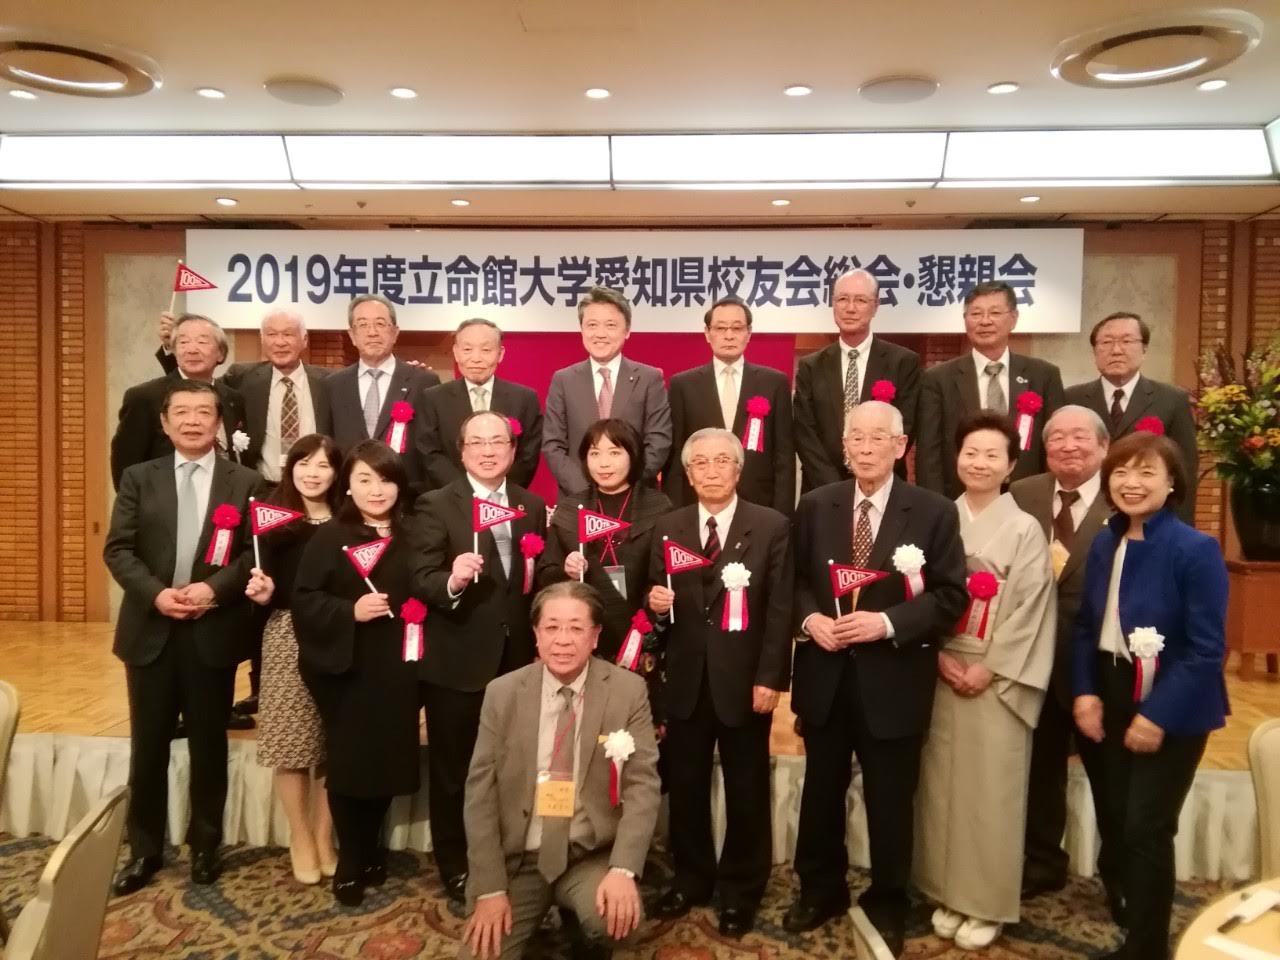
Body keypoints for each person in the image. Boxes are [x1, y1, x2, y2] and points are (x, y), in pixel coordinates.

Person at [785, 400, 967, 956]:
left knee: (891, 801)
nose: (866, 448)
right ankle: (820, 889)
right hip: (825, 676)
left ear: (901, 446)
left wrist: (886, 623)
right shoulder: (816, 504)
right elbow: (794, 580)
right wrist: (810, 619)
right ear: (844, 447)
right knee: (820, 792)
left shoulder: (933, 511)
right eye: (856, 439)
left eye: (877, 438)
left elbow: (950, 596)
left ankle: (889, 900)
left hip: (894, 680)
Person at [1072, 432, 1229, 960]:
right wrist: (1085, 693)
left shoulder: (1196, 549)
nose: (1130, 483)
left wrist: (1157, 715)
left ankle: (1147, 948)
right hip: (1110, 690)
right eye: (1120, 472)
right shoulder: (1104, 542)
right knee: (1117, 819)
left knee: (1146, 825)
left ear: (1172, 482)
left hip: (1176, 701)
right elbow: (1085, 626)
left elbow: (1207, 649)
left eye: (1145, 472)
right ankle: (1130, 913)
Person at [104, 380, 261, 895]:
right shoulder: (138, 477)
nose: (192, 421)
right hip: (150, 631)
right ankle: (144, 849)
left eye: (203, 412)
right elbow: (118, 549)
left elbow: (253, 554)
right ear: (164, 423)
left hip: (211, 631)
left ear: (219, 422)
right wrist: (156, 595)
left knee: (209, 744)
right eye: (182, 412)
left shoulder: (246, 482)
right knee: (147, 746)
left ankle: (205, 845)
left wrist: (213, 589)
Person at [458, 580, 661, 960]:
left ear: (595, 636)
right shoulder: (502, 693)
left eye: (576, 628)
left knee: (618, 924)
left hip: (589, 853)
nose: (563, 640)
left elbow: (642, 786)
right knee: (480, 955)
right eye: (551, 627)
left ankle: (580, 915)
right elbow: (479, 794)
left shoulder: (627, 690)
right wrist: (489, 888)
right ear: (536, 634)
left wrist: (623, 869)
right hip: (520, 860)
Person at [914, 413, 1057, 949]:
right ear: (957, 457)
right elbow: (919, 594)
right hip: (942, 665)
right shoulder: (938, 518)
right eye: (970, 452)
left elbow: (1030, 608)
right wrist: (935, 654)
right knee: (940, 788)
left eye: (992, 455)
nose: (979, 463)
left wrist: (990, 666)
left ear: (1012, 465)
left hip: (996, 673)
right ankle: (944, 891)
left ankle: (986, 903)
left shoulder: (1024, 529)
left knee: (991, 791)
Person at [645, 428, 793, 937]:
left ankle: (741, 890)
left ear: (738, 469)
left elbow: (779, 608)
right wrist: (655, 605)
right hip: (686, 680)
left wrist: (771, 677)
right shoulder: (669, 526)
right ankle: (691, 878)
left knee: (746, 787)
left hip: (745, 681)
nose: (711, 471)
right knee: (686, 786)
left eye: (721, 461)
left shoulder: (770, 525)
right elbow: (655, 603)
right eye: (700, 464)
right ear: (687, 474)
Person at [410, 410, 549, 903]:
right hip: (457, 661)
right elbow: (420, 578)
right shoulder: (435, 504)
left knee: (512, 765)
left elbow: (535, 580)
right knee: (455, 771)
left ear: (513, 451)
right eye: (477, 442)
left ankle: (508, 852)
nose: (488, 451)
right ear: (462, 450)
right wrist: (452, 579)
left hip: (518, 660)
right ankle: (456, 862)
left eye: (497, 442)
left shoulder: (532, 505)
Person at [292, 440, 423, 906]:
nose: (376, 489)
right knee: (350, 766)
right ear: (347, 485)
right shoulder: (331, 536)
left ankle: (371, 848)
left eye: (385, 479)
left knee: (387, 761)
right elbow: (305, 599)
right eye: (364, 479)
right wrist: (350, 610)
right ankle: (350, 858)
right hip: (346, 667)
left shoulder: (414, 534)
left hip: (399, 665)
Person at [1010, 405, 1113, 898]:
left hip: (1099, 664)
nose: (1068, 446)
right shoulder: (1023, 493)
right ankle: (1042, 862)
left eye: (1080, 437)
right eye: (1057, 438)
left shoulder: (1125, 495)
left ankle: (1120, 877)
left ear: (1104, 446)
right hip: (1033, 658)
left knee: (1110, 776)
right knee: (1040, 770)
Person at [243, 434, 341, 885]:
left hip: (341, 634)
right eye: (304, 463)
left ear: (337, 473)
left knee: (334, 742)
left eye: (323, 465)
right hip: (287, 634)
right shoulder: (274, 523)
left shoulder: (349, 521)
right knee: (292, 740)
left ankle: (324, 835)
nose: (312, 473)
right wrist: (264, 594)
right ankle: (299, 836)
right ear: (290, 468)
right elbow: (262, 582)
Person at [537, 419, 671, 714]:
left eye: (614, 452)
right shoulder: (571, 509)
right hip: (582, 641)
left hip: (642, 639)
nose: (604, 463)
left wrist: (656, 604)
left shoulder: (660, 508)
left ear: (633, 455)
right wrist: (565, 570)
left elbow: (664, 576)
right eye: (594, 453)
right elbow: (545, 575)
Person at [916, 281, 1065, 499]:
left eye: (995, 313)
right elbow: (929, 452)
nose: (985, 321)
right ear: (965, 320)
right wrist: (935, 504)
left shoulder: (1043, 375)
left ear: (1013, 318)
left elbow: (1053, 443)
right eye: (976, 314)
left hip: (1028, 495)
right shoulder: (938, 378)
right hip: (959, 497)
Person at [155, 308, 333, 483]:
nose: (280, 342)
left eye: (288, 334)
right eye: (271, 334)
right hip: (263, 487)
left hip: (317, 485)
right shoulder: (241, 377)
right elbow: (197, 386)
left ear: (304, 339)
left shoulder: (330, 381)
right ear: (262, 339)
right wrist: (172, 348)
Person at [793, 269, 921, 491]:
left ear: (876, 306)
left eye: (860, 300)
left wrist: (872, 475)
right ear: (833, 304)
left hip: (883, 486)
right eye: (843, 299)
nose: (850, 308)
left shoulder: (903, 362)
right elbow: (805, 434)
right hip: (822, 489)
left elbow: (906, 426)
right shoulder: (811, 366)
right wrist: (836, 488)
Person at [1064, 312, 1198, 522]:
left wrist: (1179, 525)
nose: (1116, 350)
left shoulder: (1172, 399)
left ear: (1144, 349)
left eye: (1127, 341)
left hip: (1149, 514)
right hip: (1084, 515)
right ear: (1094, 352)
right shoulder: (1072, 398)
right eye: (1106, 342)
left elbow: (1185, 468)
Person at [666, 297, 795, 514]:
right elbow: (676, 455)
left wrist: (783, 514)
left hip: (759, 503)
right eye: (720, 328)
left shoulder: (774, 383)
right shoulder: (683, 385)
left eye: (737, 328)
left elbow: (784, 456)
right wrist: (675, 512)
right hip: (698, 502)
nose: (729, 335)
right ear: (707, 333)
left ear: (749, 332)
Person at [543, 286, 672, 496]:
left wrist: (624, 486)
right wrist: (587, 491)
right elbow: (553, 445)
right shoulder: (563, 380)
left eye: (610, 325)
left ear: (627, 330)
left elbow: (659, 440)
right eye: (592, 325)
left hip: (635, 497)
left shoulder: (649, 378)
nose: (600, 334)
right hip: (578, 497)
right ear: (582, 329)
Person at [111, 313, 249, 489]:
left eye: (202, 342)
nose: (192, 349)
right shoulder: (145, 397)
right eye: (183, 342)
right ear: (174, 351)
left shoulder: (233, 398)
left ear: (221, 354)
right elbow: (125, 465)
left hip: (225, 497)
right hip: (164, 498)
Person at [324, 293, 440, 498]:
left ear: (395, 332)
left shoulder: (423, 381)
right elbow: (327, 445)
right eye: (363, 325)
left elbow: (430, 447)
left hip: (407, 495)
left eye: (380, 324)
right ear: (352, 335)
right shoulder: (333, 385)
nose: (372, 332)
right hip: (349, 496)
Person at [418, 317, 543, 489]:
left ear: (500, 354)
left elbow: (528, 456)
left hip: (505, 496)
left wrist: (497, 490)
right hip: (449, 496)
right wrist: (464, 491)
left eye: (486, 350)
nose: (476, 358)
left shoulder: (524, 399)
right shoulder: (433, 398)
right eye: (467, 349)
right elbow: (430, 453)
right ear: (456, 352)